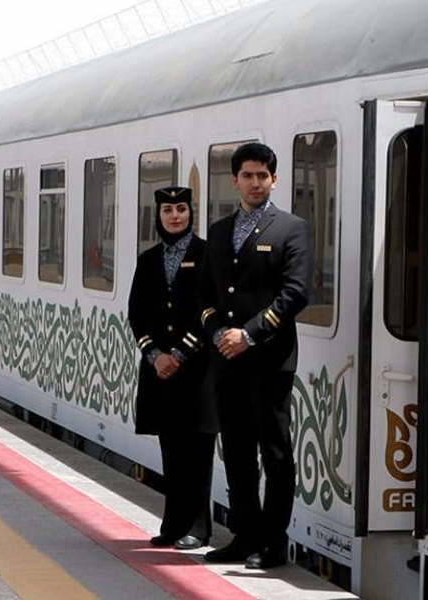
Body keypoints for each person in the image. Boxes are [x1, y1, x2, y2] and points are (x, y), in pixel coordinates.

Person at [199, 143, 312, 569]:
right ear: (235, 181)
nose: (255, 182)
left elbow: (296, 293)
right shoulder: (221, 230)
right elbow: (207, 295)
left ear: (274, 180)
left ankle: (273, 542)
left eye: (262, 176)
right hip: (227, 360)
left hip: (268, 360)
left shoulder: (291, 229)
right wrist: (218, 335)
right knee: (238, 451)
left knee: (275, 452)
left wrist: (249, 334)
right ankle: (243, 536)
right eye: (247, 175)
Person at [128, 186, 216, 551]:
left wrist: (178, 354)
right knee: (172, 452)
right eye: (168, 210)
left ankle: (197, 528)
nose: (175, 216)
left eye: (181, 209)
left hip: (196, 374)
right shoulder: (148, 259)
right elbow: (137, 313)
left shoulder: (207, 254)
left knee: (197, 452)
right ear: (159, 216)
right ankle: (173, 524)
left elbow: (211, 312)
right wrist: (154, 356)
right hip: (160, 373)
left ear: (190, 213)